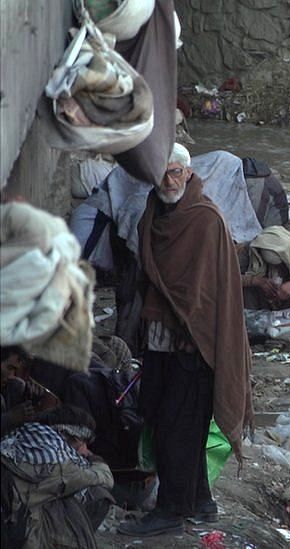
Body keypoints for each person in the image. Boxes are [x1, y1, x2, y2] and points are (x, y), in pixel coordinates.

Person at [119, 143, 252, 536]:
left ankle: (171, 510)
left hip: (196, 342)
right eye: (162, 173)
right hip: (160, 337)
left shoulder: (206, 219)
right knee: (164, 417)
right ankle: (200, 499)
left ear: (189, 174)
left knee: (179, 427)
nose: (169, 180)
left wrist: (191, 323)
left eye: (176, 172)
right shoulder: (153, 212)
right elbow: (146, 274)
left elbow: (212, 291)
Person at [1, 405, 115, 549]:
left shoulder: (20, 440)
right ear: (67, 436)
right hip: (13, 531)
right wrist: (96, 460)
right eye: (82, 442)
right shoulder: (55, 462)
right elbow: (105, 479)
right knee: (98, 493)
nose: (85, 451)